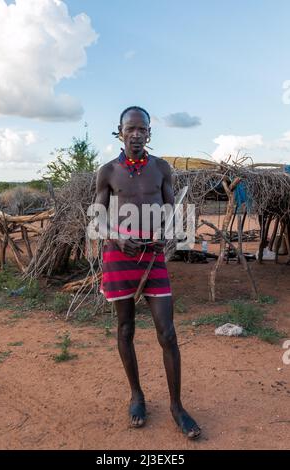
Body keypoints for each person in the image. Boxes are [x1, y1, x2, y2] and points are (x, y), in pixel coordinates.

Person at [95, 106, 201, 439]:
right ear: (120, 131)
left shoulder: (161, 169)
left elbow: (172, 212)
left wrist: (167, 237)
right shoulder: (108, 172)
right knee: (125, 328)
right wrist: (117, 237)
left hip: (153, 258)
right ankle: (137, 395)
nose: (137, 134)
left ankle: (176, 406)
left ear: (149, 132)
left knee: (167, 334)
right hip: (120, 255)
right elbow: (97, 219)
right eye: (131, 129)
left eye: (143, 129)